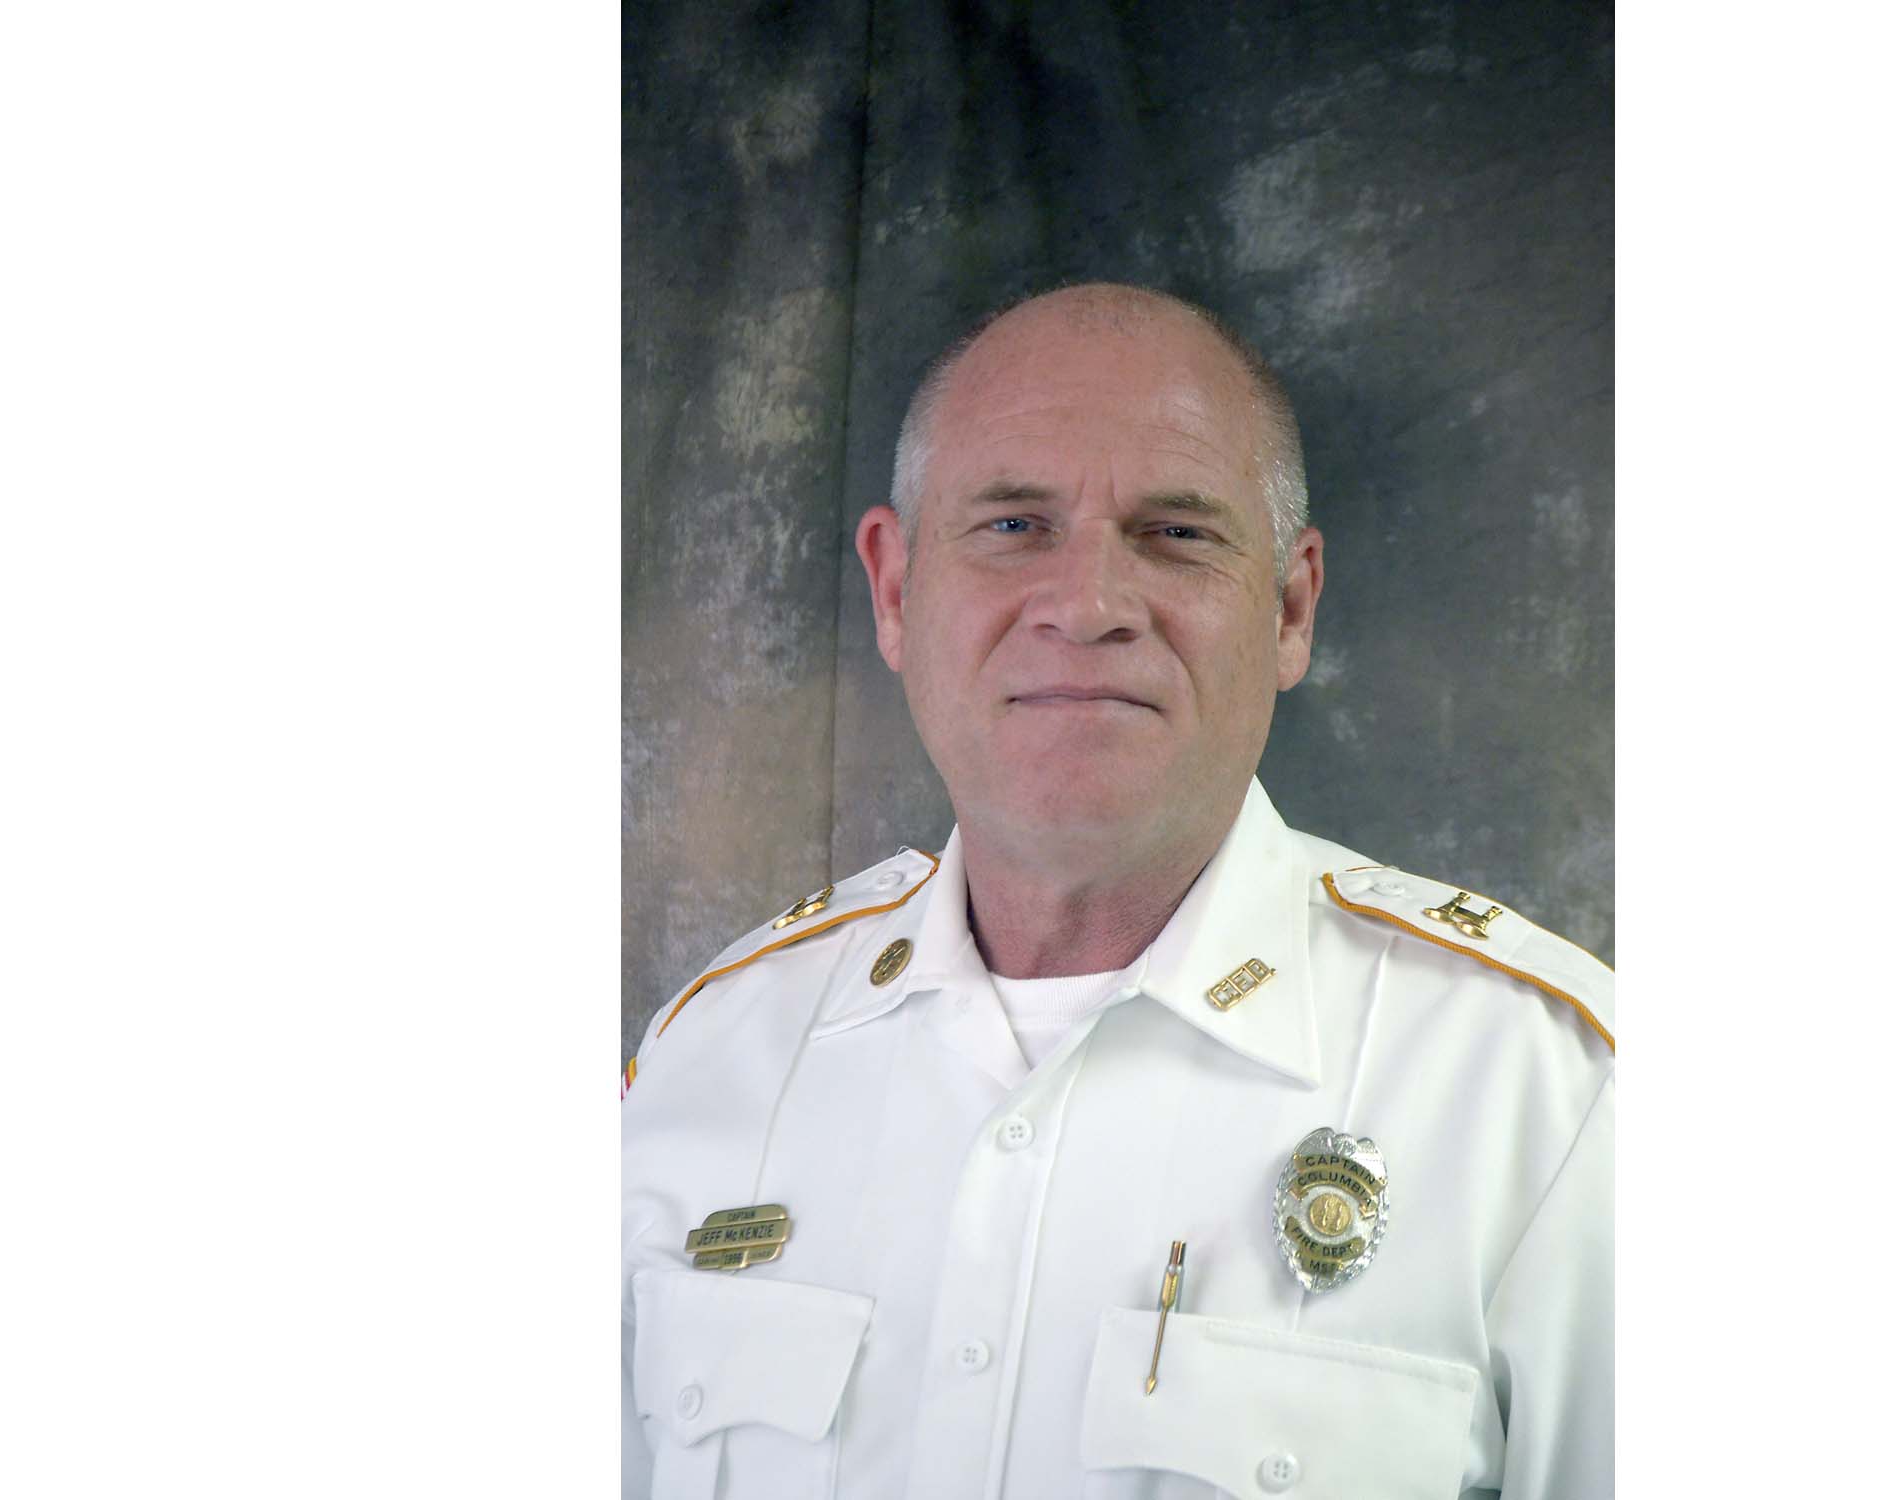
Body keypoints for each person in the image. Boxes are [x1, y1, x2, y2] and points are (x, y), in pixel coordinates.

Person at [621, 283, 1613, 1499]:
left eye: (1177, 533)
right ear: (895, 590)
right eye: (1013, 525)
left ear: (1290, 606)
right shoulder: (711, 1059)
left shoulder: (1550, 1105)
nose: (1087, 606)